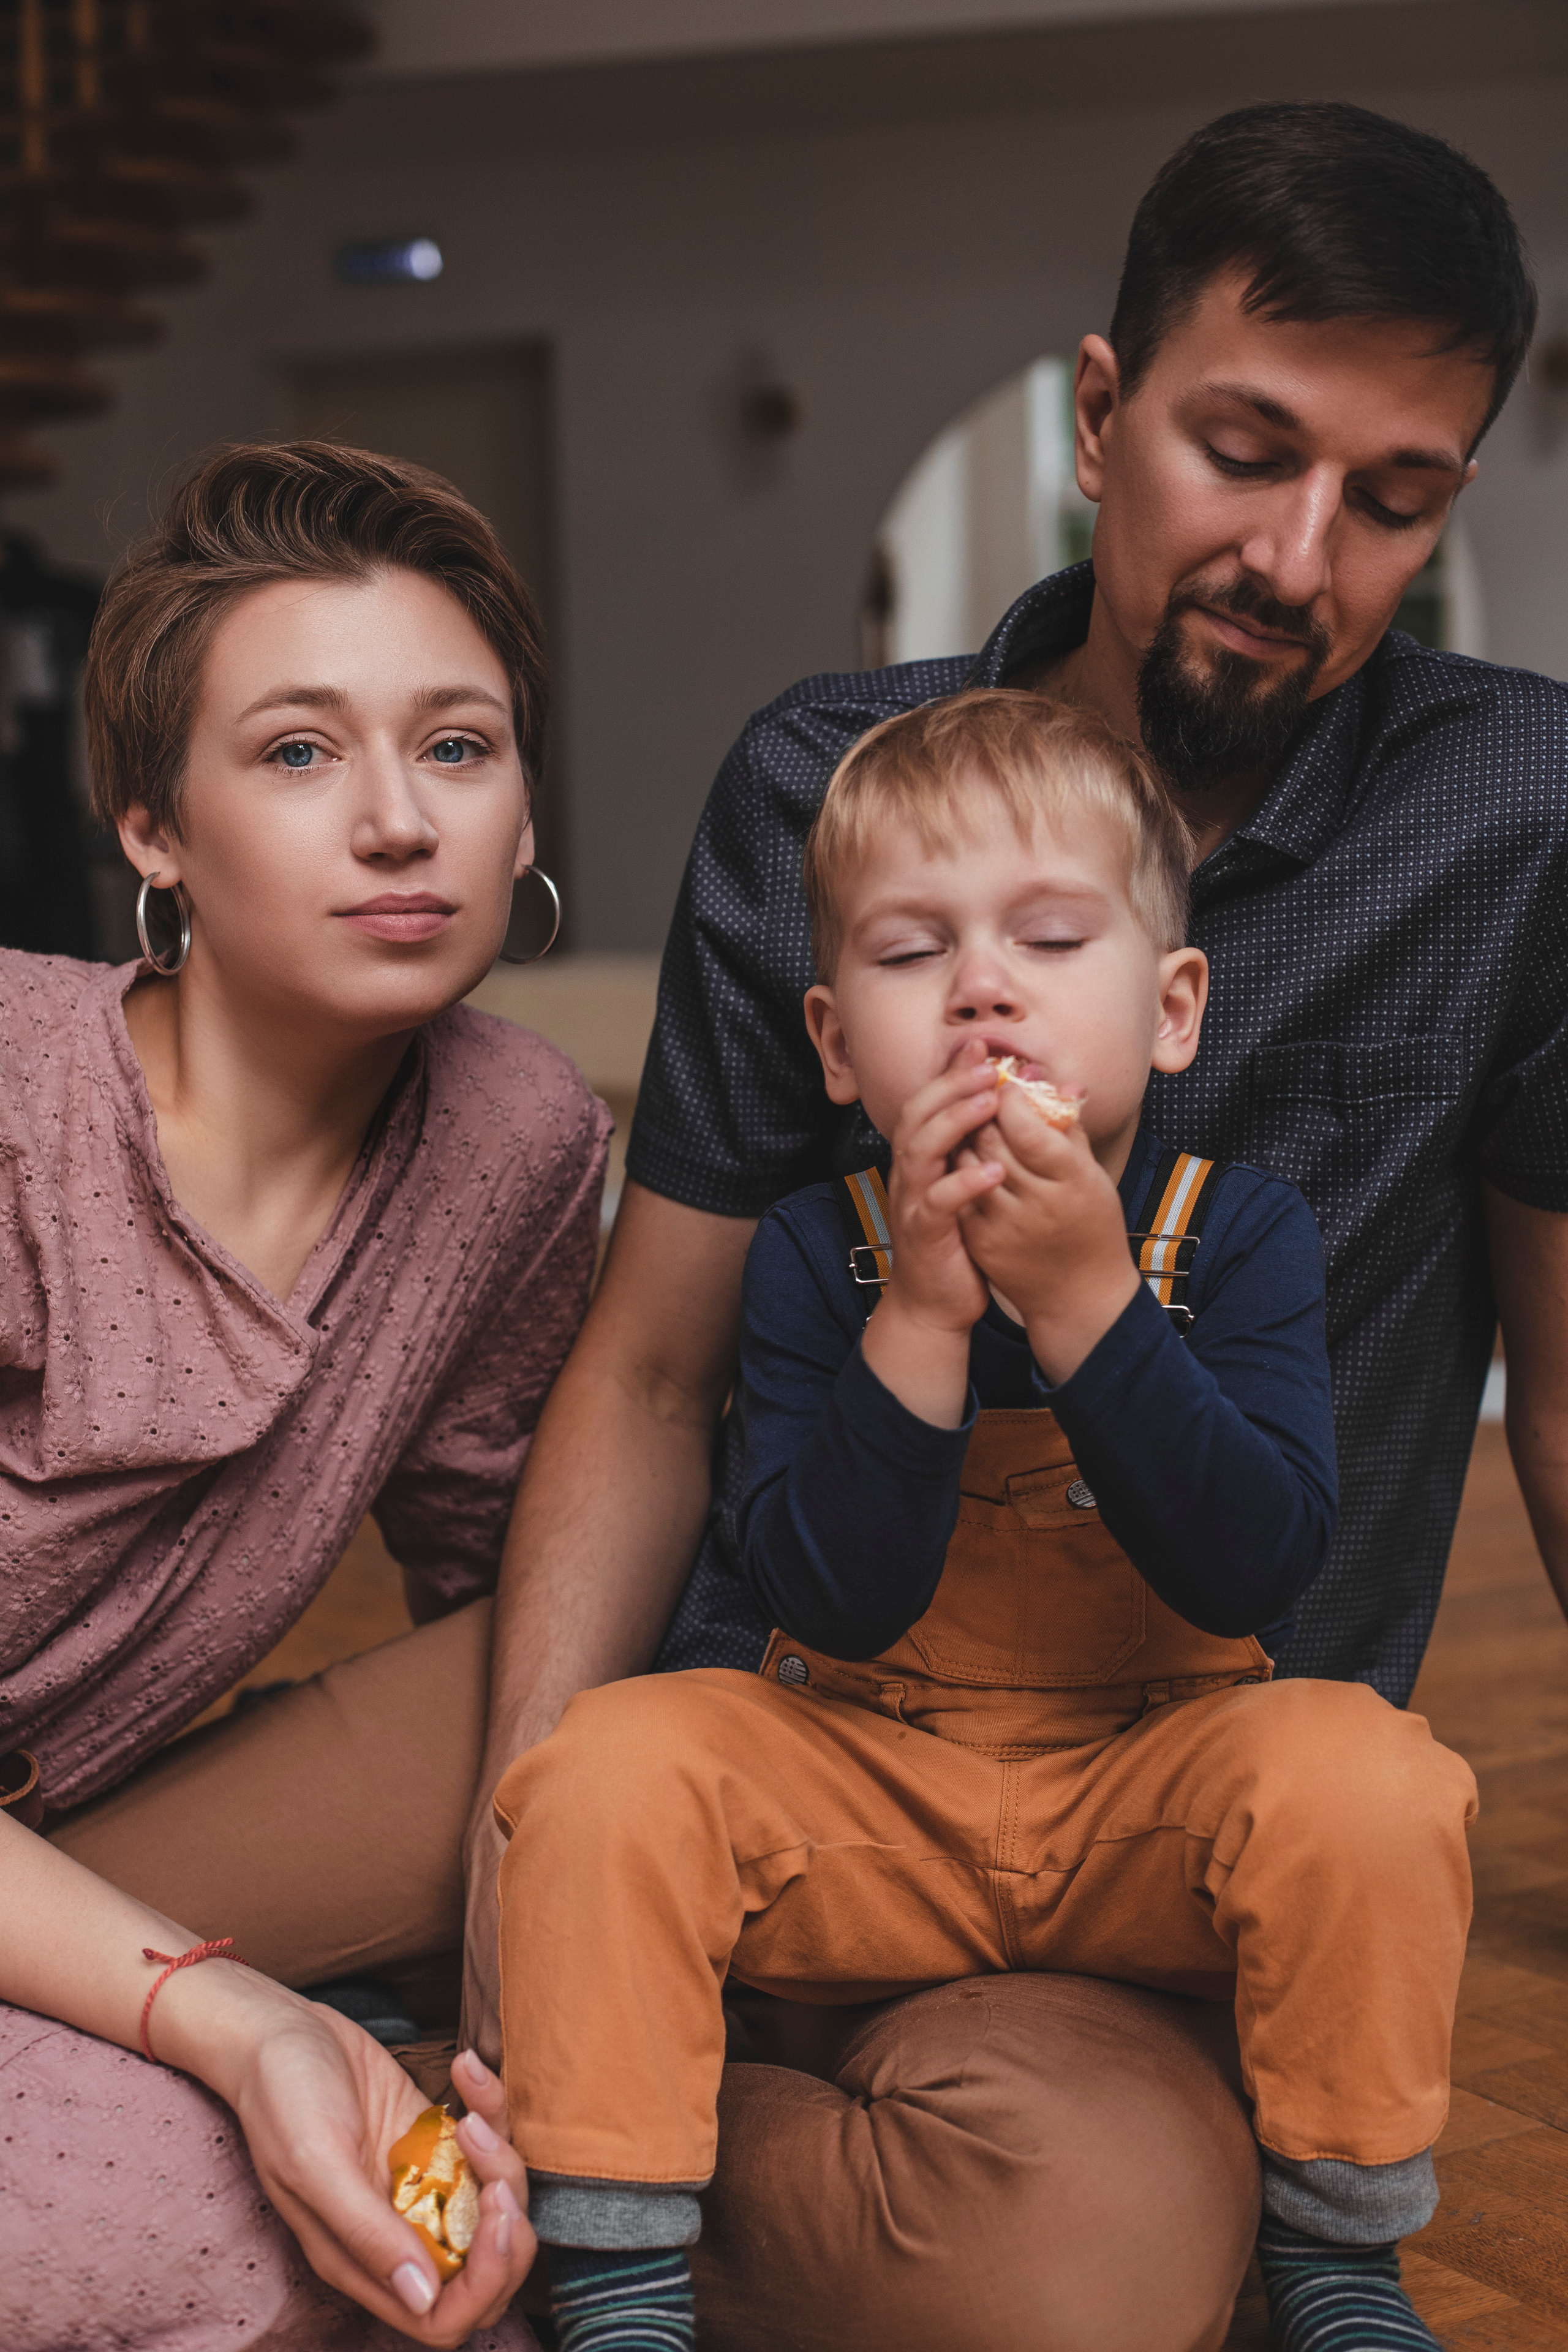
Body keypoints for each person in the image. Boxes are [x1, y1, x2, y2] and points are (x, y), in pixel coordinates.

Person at [459, 100, 1562, 2350]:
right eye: (1242, 450)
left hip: (1182, 1796)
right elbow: (662, 1374)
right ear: (1097, 413)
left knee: (1072, 2271)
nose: (1299, 553)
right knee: (536, 1816)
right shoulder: (821, 785)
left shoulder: (1519, 812)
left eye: (1395, 497)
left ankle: (486, 2114)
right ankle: (538, 2137)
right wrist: (510, 1884)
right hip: (804, 1726)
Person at [494, 692, 1476, 2352]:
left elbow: (1260, 1560)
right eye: (908, 954)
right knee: (606, 1769)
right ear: (830, 1042)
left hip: (1143, 1794)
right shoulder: (822, 1251)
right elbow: (828, 1593)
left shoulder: (1235, 1235)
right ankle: (616, 2272)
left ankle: (1335, 2260)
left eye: (1046, 936)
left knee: (1378, 1780)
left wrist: (1093, 1307)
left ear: (1172, 1011)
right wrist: (923, 1327)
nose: (982, 990)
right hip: (869, 1779)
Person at [0, 439, 609, 2351]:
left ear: (523, 815)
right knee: (245, 2252)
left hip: (87, 1829)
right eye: (293, 752)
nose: (398, 823)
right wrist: (236, 2014)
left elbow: (501, 1567)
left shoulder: (513, 1137)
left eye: (455, 746)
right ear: (149, 830)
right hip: (104, 1893)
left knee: (615, 1650)